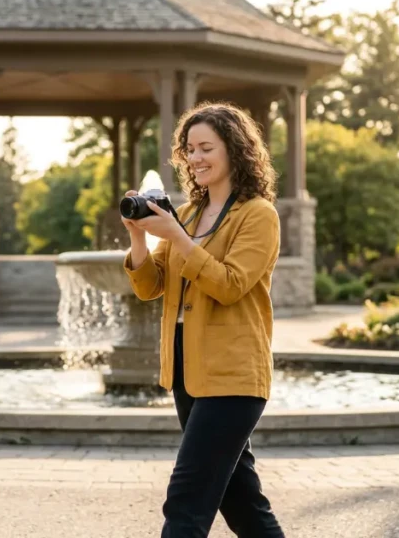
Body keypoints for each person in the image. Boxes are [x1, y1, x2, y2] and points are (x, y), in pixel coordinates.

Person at [121, 102, 285, 538]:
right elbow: (149, 285)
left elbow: (231, 284)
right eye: (189, 149)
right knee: (243, 504)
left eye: (206, 148)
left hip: (233, 375)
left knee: (187, 500)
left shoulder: (257, 215)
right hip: (187, 372)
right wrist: (139, 236)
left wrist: (177, 236)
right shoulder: (189, 214)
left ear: (234, 149)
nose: (195, 159)